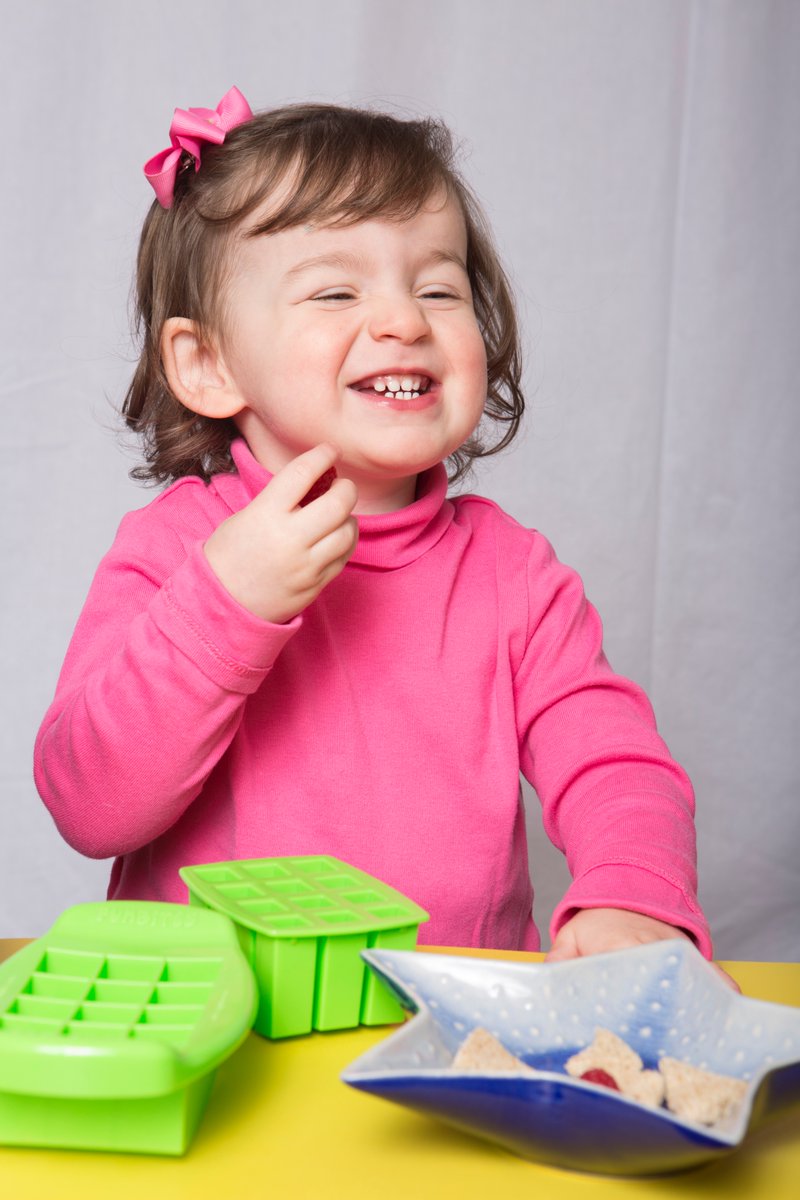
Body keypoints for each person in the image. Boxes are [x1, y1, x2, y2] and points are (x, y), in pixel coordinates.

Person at [34, 86, 714, 963]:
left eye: (439, 287)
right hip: (216, 1036)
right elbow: (90, 806)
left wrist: (633, 894)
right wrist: (224, 604)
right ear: (205, 364)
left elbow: (616, 765)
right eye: (332, 293)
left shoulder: (513, 573)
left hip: (445, 1029)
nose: (403, 321)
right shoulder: (176, 554)